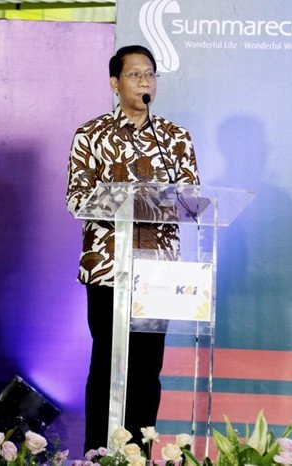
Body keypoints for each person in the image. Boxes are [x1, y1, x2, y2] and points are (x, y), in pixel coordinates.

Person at [66, 44, 199, 452]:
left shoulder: (175, 138)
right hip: (107, 268)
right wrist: (138, 201)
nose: (145, 81)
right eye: (135, 74)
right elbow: (77, 199)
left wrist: (148, 201)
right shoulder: (91, 135)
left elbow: (192, 201)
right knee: (107, 363)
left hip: (158, 271)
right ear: (115, 83)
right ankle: (97, 453)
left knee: (147, 368)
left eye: (150, 74)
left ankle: (138, 454)